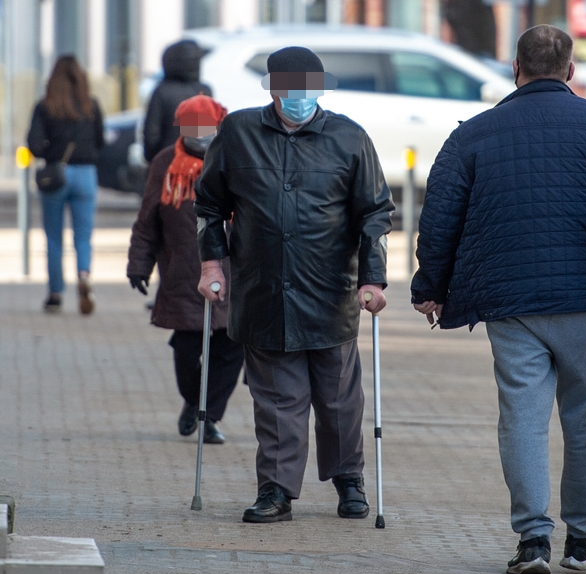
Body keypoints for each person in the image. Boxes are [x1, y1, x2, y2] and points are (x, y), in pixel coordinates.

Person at [410, 25, 586, 574]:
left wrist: (430, 288)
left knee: (522, 417)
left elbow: (439, 218)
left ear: (515, 68)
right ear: (570, 71)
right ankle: (583, 535)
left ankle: (533, 539)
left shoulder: (474, 134)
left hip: (509, 300)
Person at [194, 47, 394, 523]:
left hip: (330, 293)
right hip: (262, 291)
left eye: (310, 89)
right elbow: (208, 206)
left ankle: (349, 480)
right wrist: (211, 267)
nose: (301, 98)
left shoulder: (349, 138)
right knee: (279, 402)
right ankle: (277, 491)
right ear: (273, 89)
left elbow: (375, 214)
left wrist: (373, 278)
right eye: (292, 89)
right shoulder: (238, 133)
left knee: (338, 399)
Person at [127, 95, 242, 445]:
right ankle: (194, 401)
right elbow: (147, 220)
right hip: (183, 272)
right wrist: (139, 266)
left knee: (231, 348)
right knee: (188, 348)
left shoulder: (235, 160)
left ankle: (210, 416)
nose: (199, 134)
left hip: (234, 273)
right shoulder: (165, 163)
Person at [27, 55, 105, 315]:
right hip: (86, 174)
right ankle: (84, 275)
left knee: (53, 236)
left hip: (55, 176)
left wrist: (52, 150)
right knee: (83, 235)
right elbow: (101, 141)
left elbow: (34, 145)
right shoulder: (91, 106)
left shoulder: (45, 107)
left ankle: (55, 294)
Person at [143, 40, 212, 163]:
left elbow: (151, 136)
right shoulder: (205, 91)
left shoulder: (162, 92)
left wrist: (153, 160)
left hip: (169, 164)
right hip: (200, 166)